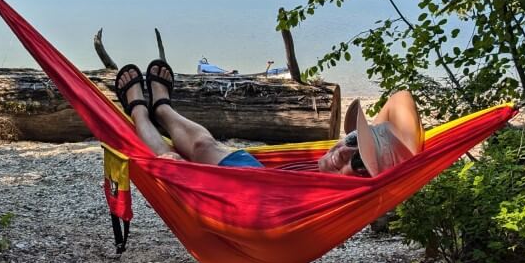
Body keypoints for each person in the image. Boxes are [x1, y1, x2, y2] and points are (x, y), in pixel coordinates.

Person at [114, 60, 423, 176]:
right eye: (353, 141)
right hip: (258, 175)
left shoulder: (335, 203)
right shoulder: (330, 168)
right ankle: (162, 108)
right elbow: (403, 99)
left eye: (357, 163)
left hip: (251, 199)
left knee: (172, 162)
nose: (341, 152)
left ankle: (141, 111)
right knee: (203, 145)